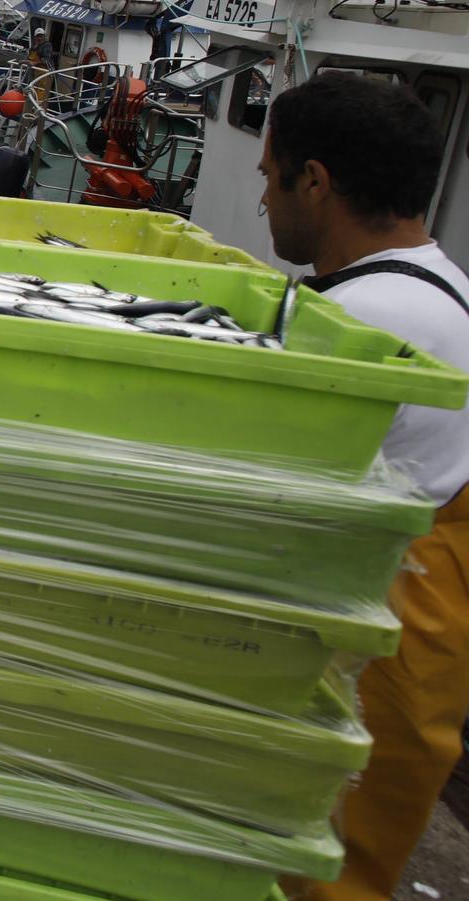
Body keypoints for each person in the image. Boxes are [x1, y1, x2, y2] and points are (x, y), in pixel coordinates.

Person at [259, 76, 469, 901]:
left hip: (367, 635)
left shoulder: (356, 326)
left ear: (314, 181)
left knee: (303, 861)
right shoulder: (444, 289)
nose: (264, 198)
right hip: (422, 628)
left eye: (268, 173)